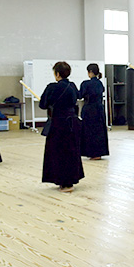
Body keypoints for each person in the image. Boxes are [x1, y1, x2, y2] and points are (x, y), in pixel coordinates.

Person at [40, 61, 84, 192]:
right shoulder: (72, 86)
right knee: (71, 152)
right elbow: (77, 97)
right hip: (72, 123)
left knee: (58, 153)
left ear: (57, 74)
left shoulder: (51, 87)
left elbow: (42, 104)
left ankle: (64, 182)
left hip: (58, 124)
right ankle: (69, 181)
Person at [79, 63, 109, 160]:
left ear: (90, 72)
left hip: (89, 110)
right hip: (99, 110)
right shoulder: (100, 83)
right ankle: (99, 153)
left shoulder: (86, 84)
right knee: (99, 131)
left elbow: (80, 95)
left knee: (89, 131)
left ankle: (91, 153)